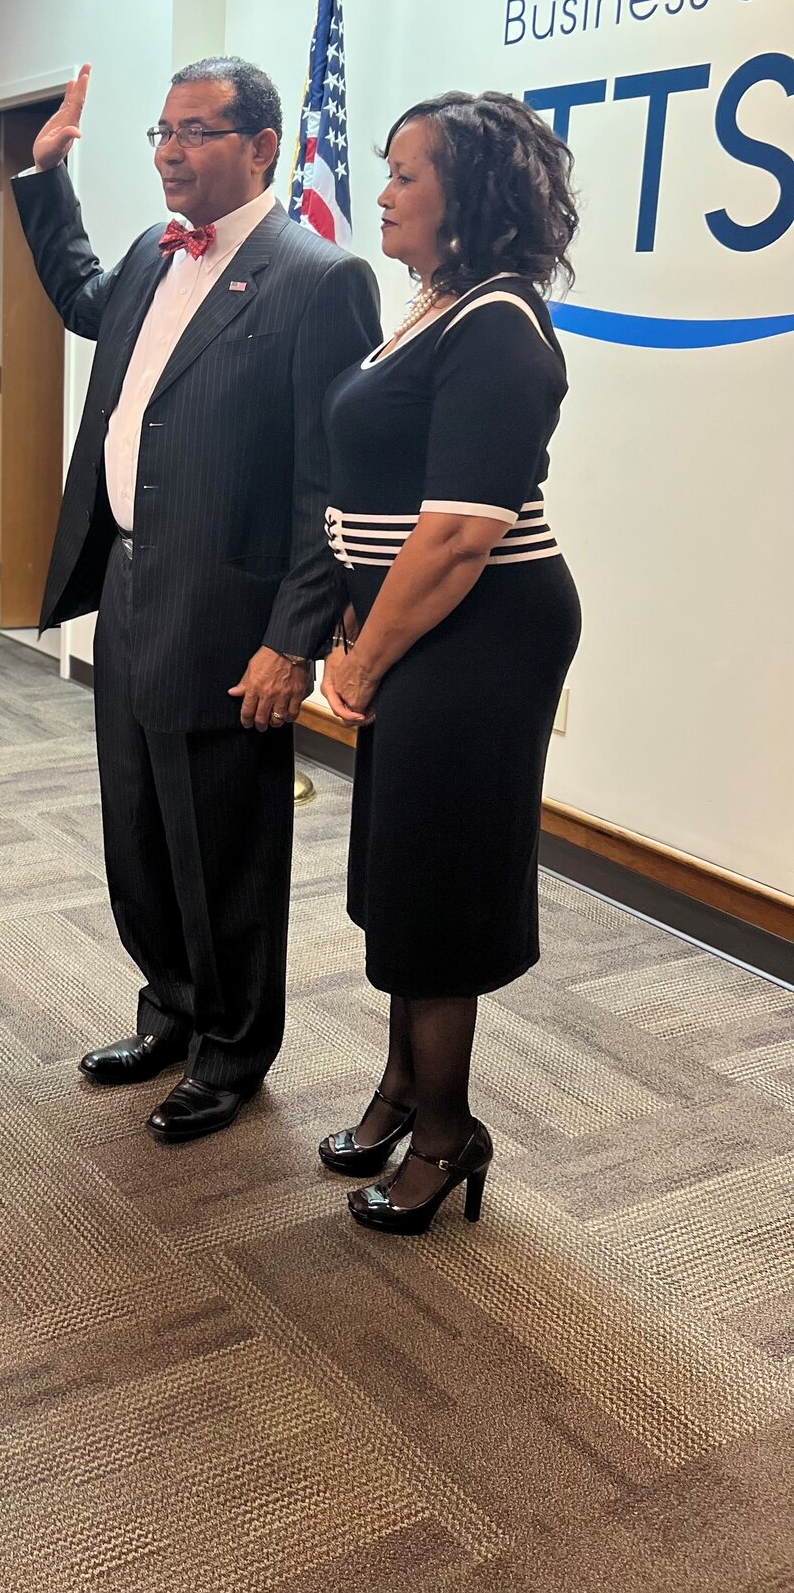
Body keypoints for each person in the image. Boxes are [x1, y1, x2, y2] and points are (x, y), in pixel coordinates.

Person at [15, 57, 381, 1142]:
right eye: (161, 132)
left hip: (232, 614)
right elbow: (84, 297)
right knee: (137, 823)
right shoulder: (150, 251)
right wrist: (47, 180)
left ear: (263, 145)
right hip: (131, 581)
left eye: (198, 132)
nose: (172, 151)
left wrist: (293, 641)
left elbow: (331, 482)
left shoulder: (319, 278)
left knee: (222, 841)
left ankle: (233, 1048)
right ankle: (171, 1009)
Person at [317, 90, 582, 1234]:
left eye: (405, 174)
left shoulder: (499, 327)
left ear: (467, 199)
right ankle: (401, 1090)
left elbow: (463, 533)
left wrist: (366, 662)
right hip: (417, 623)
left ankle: (446, 1133)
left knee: (438, 880)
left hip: (478, 636)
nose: (381, 191)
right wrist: (354, 622)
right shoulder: (438, 308)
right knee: (398, 864)